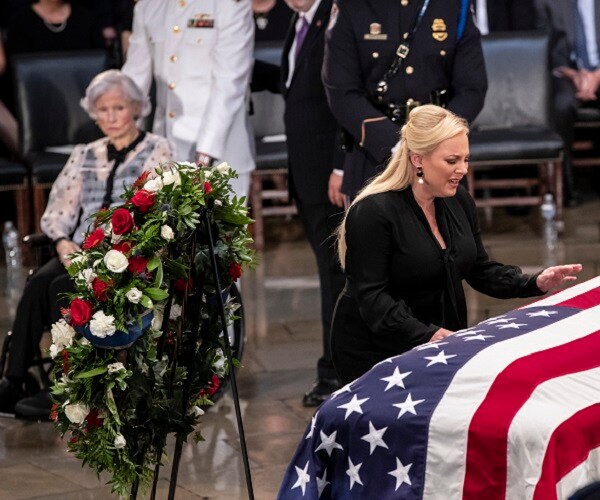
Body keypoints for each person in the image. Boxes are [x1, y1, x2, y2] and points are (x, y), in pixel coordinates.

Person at [331, 105, 582, 384]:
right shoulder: (373, 213)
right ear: (418, 160)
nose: (463, 169)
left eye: (465, 159)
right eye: (452, 161)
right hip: (377, 351)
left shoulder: (458, 200)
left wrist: (533, 282)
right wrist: (426, 335)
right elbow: (372, 298)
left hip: (438, 342)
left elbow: (478, 268)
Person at [0, 70, 172, 418]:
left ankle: (66, 383)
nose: (111, 117)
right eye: (103, 110)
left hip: (124, 252)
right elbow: (60, 207)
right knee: (39, 282)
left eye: (118, 108)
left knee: (62, 287)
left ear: (135, 108)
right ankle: (13, 381)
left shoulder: (156, 149)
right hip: (79, 246)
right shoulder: (85, 153)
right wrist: (62, 241)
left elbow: (158, 208)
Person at [322, 0, 488, 199]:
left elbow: (472, 89)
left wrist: (434, 141)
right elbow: (341, 91)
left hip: (439, 157)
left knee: (447, 220)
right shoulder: (351, 5)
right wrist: (396, 144)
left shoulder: (455, 5)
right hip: (373, 158)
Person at [122, 0, 255, 200]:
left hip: (220, 152)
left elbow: (229, 83)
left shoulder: (230, 4)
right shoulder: (149, 5)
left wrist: (204, 156)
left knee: (219, 220)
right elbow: (135, 77)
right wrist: (123, 132)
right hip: (166, 147)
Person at [281, 0, 345, 406]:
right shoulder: (300, 19)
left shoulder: (334, 18)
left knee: (336, 276)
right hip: (306, 174)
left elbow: (343, 98)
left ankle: (335, 372)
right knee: (332, 272)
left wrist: (341, 166)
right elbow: (296, 84)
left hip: (327, 177)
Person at [534, 0, 598, 207]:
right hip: (566, 74)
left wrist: (596, 76)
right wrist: (575, 75)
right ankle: (567, 188)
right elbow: (546, 48)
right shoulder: (548, 3)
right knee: (561, 104)